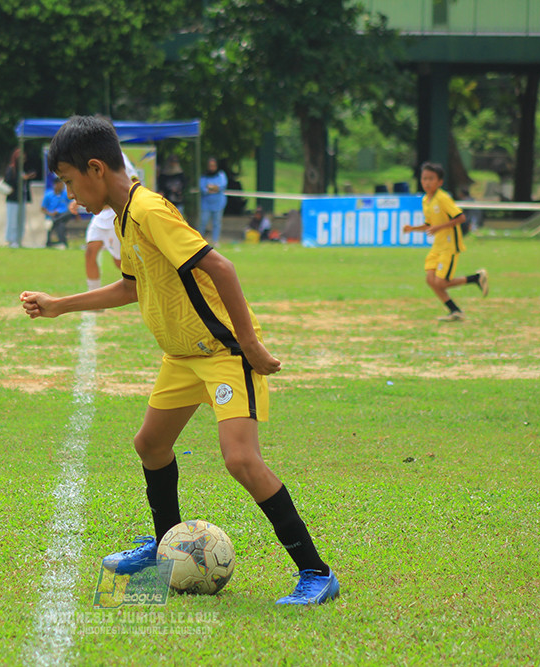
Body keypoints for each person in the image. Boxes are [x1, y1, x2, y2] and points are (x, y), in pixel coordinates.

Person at [20, 115, 340, 606]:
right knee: (150, 444)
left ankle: (315, 572)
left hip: (223, 352)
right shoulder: (124, 216)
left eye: (69, 181)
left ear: (96, 168)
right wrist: (61, 304)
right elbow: (132, 286)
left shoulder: (149, 210)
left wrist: (249, 344)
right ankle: (165, 545)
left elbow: (221, 267)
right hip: (182, 356)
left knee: (241, 460)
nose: (70, 195)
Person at [402, 162, 489, 321]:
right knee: (431, 280)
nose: (427, 182)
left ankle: (475, 278)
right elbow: (430, 224)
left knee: (440, 283)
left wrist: (439, 227)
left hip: (449, 246)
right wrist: (412, 228)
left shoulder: (443, 198)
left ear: (440, 182)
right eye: (424, 178)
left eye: (431, 179)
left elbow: (460, 217)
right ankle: (455, 311)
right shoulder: (426, 200)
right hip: (438, 245)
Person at [84, 152, 138, 291]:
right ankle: (93, 296)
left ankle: (145, 284)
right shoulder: (89, 158)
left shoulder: (117, 156)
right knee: (90, 252)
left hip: (115, 213)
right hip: (100, 215)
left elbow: (133, 181)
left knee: (119, 262)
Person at [4, 148, 36, 248]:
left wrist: (27, 177)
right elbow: (8, 181)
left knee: (21, 221)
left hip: (22, 199)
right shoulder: (11, 169)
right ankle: (11, 240)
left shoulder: (22, 170)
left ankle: (19, 240)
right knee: (12, 221)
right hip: (13, 199)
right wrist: (21, 179)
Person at [199, 157, 228, 245]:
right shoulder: (204, 176)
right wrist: (214, 188)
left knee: (217, 223)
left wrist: (210, 187)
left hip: (218, 203)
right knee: (203, 222)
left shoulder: (221, 175)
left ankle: (215, 241)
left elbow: (221, 186)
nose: (212, 167)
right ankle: (200, 241)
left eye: (214, 165)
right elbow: (203, 188)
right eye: (210, 166)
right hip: (206, 204)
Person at [41, 178, 73, 248]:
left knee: (66, 214)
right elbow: (43, 208)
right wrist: (50, 213)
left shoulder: (65, 194)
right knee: (60, 225)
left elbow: (72, 205)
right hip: (52, 216)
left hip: (63, 215)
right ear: (56, 185)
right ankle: (61, 243)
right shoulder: (48, 195)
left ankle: (54, 221)